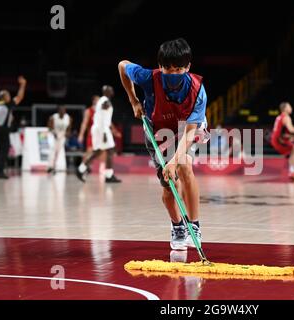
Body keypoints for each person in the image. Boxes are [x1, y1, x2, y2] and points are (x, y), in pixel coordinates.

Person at [118, 38, 208, 250]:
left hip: (185, 129)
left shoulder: (197, 90)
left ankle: (194, 225)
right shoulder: (148, 77)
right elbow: (122, 65)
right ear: (160, 66)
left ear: (188, 67)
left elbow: (189, 132)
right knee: (169, 185)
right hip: (157, 130)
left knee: (185, 165)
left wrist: (175, 161)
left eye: (178, 68)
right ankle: (177, 226)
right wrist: (133, 100)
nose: (172, 73)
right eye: (167, 68)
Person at [76, 86, 122, 183]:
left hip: (98, 129)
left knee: (98, 152)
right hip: (102, 129)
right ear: (108, 91)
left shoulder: (102, 100)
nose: (113, 91)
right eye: (111, 89)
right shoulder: (105, 102)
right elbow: (103, 117)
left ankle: (81, 169)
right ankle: (109, 176)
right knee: (110, 150)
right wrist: (105, 132)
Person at [0, 76, 27, 179]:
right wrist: (23, 85)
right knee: (4, 150)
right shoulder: (7, 105)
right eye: (8, 95)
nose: (10, 97)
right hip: (3, 130)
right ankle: (1, 172)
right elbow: (20, 97)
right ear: (5, 97)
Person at [270, 102, 294, 181]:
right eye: (289, 107)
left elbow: (281, 132)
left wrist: (290, 137)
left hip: (277, 139)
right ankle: (292, 172)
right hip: (279, 141)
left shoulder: (279, 117)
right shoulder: (286, 117)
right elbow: (291, 129)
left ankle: (292, 171)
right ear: (285, 109)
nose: (291, 108)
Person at [47, 105, 72, 174]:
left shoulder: (68, 118)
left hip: (62, 136)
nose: (62, 112)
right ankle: (50, 166)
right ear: (58, 111)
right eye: (61, 111)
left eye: (63, 110)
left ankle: (54, 167)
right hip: (53, 135)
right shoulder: (53, 117)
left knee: (58, 152)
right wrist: (53, 133)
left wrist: (67, 133)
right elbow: (49, 127)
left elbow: (69, 128)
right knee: (52, 150)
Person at [78, 95, 100, 165]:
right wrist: (81, 135)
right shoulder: (88, 111)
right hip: (91, 134)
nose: (99, 102)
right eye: (97, 100)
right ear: (93, 101)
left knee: (98, 153)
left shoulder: (101, 111)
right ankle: (81, 168)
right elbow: (84, 123)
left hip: (99, 134)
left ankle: (87, 167)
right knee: (89, 152)